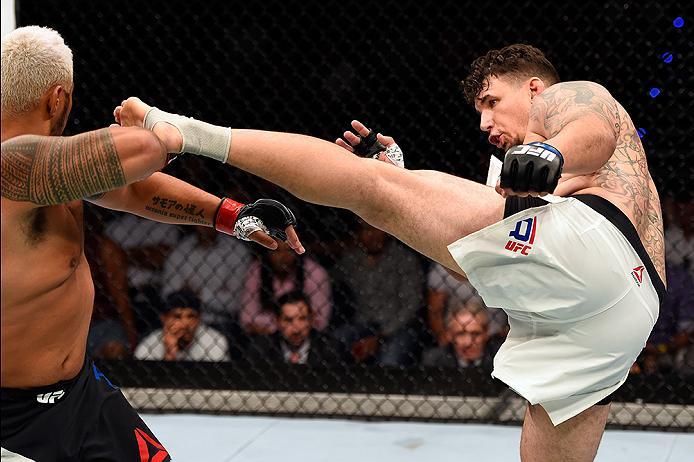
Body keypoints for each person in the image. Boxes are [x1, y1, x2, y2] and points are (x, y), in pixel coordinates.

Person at [116, 42, 666, 462]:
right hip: (612, 323)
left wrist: (550, 148)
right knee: (387, 195)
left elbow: (595, 132)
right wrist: (405, 194)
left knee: (365, 187)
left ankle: (182, 132)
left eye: (493, 102)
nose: (485, 123)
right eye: (478, 111)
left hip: (604, 245)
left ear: (533, 89)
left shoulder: (567, 97)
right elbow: (478, 262)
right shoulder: (520, 180)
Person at [0, 26, 302, 461]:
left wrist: (232, 215)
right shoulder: (14, 166)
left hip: (77, 393)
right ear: (58, 98)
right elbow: (140, 149)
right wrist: (155, 123)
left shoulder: (47, 166)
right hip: (12, 417)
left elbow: (130, 189)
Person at [331, 220, 425, 366]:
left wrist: (381, 336)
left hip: (396, 327)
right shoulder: (352, 258)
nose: (371, 235)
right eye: (366, 230)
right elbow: (329, 279)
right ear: (358, 234)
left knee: (390, 361)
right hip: (361, 324)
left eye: (376, 229)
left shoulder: (404, 259)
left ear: (386, 231)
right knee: (335, 341)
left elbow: (411, 305)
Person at [241, 240, 332, 336]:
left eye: (289, 250)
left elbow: (319, 322)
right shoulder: (257, 271)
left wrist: (281, 325)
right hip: (266, 339)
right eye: (276, 250)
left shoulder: (315, 273)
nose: (283, 256)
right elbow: (247, 320)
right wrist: (284, 328)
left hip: (307, 338)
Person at [249, 291, 342, 366]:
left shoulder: (329, 348)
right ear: (277, 321)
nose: (296, 330)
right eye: (288, 320)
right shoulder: (262, 348)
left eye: (302, 319)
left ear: (311, 319)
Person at [135, 289, 229, 361]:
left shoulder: (215, 341)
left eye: (191, 316)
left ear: (199, 319)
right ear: (164, 318)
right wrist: (169, 354)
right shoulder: (149, 344)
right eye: (177, 317)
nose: (185, 324)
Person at [421, 297, 496, 371]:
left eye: (475, 334)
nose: (468, 342)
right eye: (460, 334)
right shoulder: (433, 360)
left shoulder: (500, 359)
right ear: (449, 335)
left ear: (486, 333)